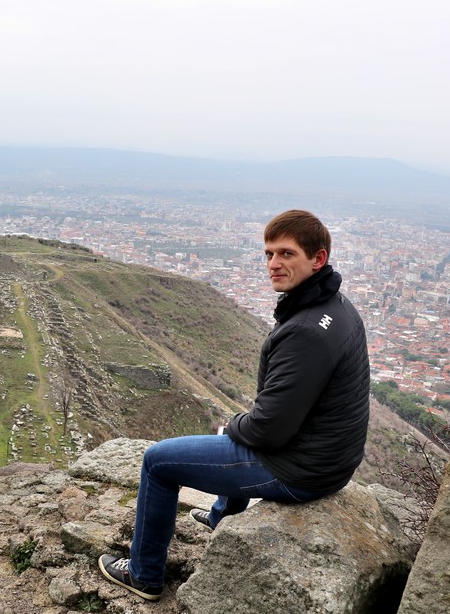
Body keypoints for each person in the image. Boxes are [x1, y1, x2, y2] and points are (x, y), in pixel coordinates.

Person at [99, 209, 370, 601]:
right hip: (329, 460)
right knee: (240, 430)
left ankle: (144, 575)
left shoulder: (306, 332)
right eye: (269, 254)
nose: (273, 263)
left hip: (299, 470)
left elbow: (268, 432)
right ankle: (220, 518)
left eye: (287, 254)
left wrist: (235, 424)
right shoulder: (335, 307)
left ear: (318, 259)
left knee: (157, 462)